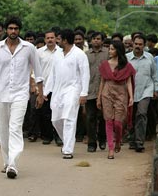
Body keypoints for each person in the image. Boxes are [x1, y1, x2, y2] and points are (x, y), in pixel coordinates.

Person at [0, 16, 44, 179]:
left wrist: (40, 94)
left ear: (19, 30)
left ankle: (13, 164)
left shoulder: (29, 48)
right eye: (10, 28)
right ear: (6, 30)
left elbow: (38, 72)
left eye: (16, 28)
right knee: (3, 130)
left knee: (15, 127)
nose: (13, 31)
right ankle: (7, 161)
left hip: (20, 94)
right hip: (0, 94)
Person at [44, 29, 90, 159]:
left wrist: (83, 93)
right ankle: (67, 141)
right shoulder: (57, 54)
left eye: (59, 39)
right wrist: (46, 91)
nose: (57, 41)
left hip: (73, 90)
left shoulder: (79, 54)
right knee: (56, 120)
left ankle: (68, 150)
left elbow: (85, 74)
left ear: (65, 40)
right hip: (58, 90)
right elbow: (52, 74)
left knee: (69, 118)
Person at [97, 40, 136, 159]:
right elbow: (102, 81)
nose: (110, 51)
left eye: (112, 49)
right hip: (107, 91)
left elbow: (129, 82)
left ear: (118, 50)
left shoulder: (126, 65)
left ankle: (118, 140)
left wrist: (131, 97)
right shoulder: (105, 64)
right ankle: (111, 149)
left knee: (118, 123)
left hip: (121, 93)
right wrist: (99, 98)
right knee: (108, 121)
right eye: (109, 48)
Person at [126, 34, 158, 152]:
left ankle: (139, 142)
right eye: (136, 44)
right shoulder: (126, 58)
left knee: (141, 113)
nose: (138, 46)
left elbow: (154, 74)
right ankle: (132, 140)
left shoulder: (149, 57)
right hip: (130, 91)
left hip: (146, 90)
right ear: (132, 44)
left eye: (140, 44)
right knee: (131, 116)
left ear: (144, 45)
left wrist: (155, 89)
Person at [37, 30, 63, 146]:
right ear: (44, 40)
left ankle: (59, 137)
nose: (50, 40)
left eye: (52, 37)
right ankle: (47, 136)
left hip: (58, 88)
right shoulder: (39, 52)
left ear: (56, 39)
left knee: (58, 113)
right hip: (44, 87)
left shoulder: (62, 52)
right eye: (48, 38)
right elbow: (35, 70)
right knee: (45, 113)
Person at [85, 31, 108, 152]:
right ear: (90, 40)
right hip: (89, 90)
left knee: (103, 117)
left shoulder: (108, 53)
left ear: (102, 41)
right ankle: (91, 143)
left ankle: (102, 140)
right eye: (94, 38)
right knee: (90, 118)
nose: (96, 41)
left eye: (98, 38)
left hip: (104, 90)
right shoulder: (86, 54)